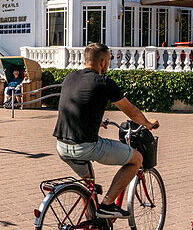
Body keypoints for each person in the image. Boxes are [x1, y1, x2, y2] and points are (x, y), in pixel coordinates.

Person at [53, 43, 159, 218]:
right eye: (108, 60)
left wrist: (96, 121)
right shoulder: (104, 82)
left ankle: (90, 223)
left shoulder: (69, 78)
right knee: (137, 159)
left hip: (62, 145)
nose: (108, 65)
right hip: (86, 146)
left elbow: (74, 105)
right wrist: (147, 123)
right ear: (102, 62)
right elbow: (130, 110)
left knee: (88, 182)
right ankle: (107, 205)